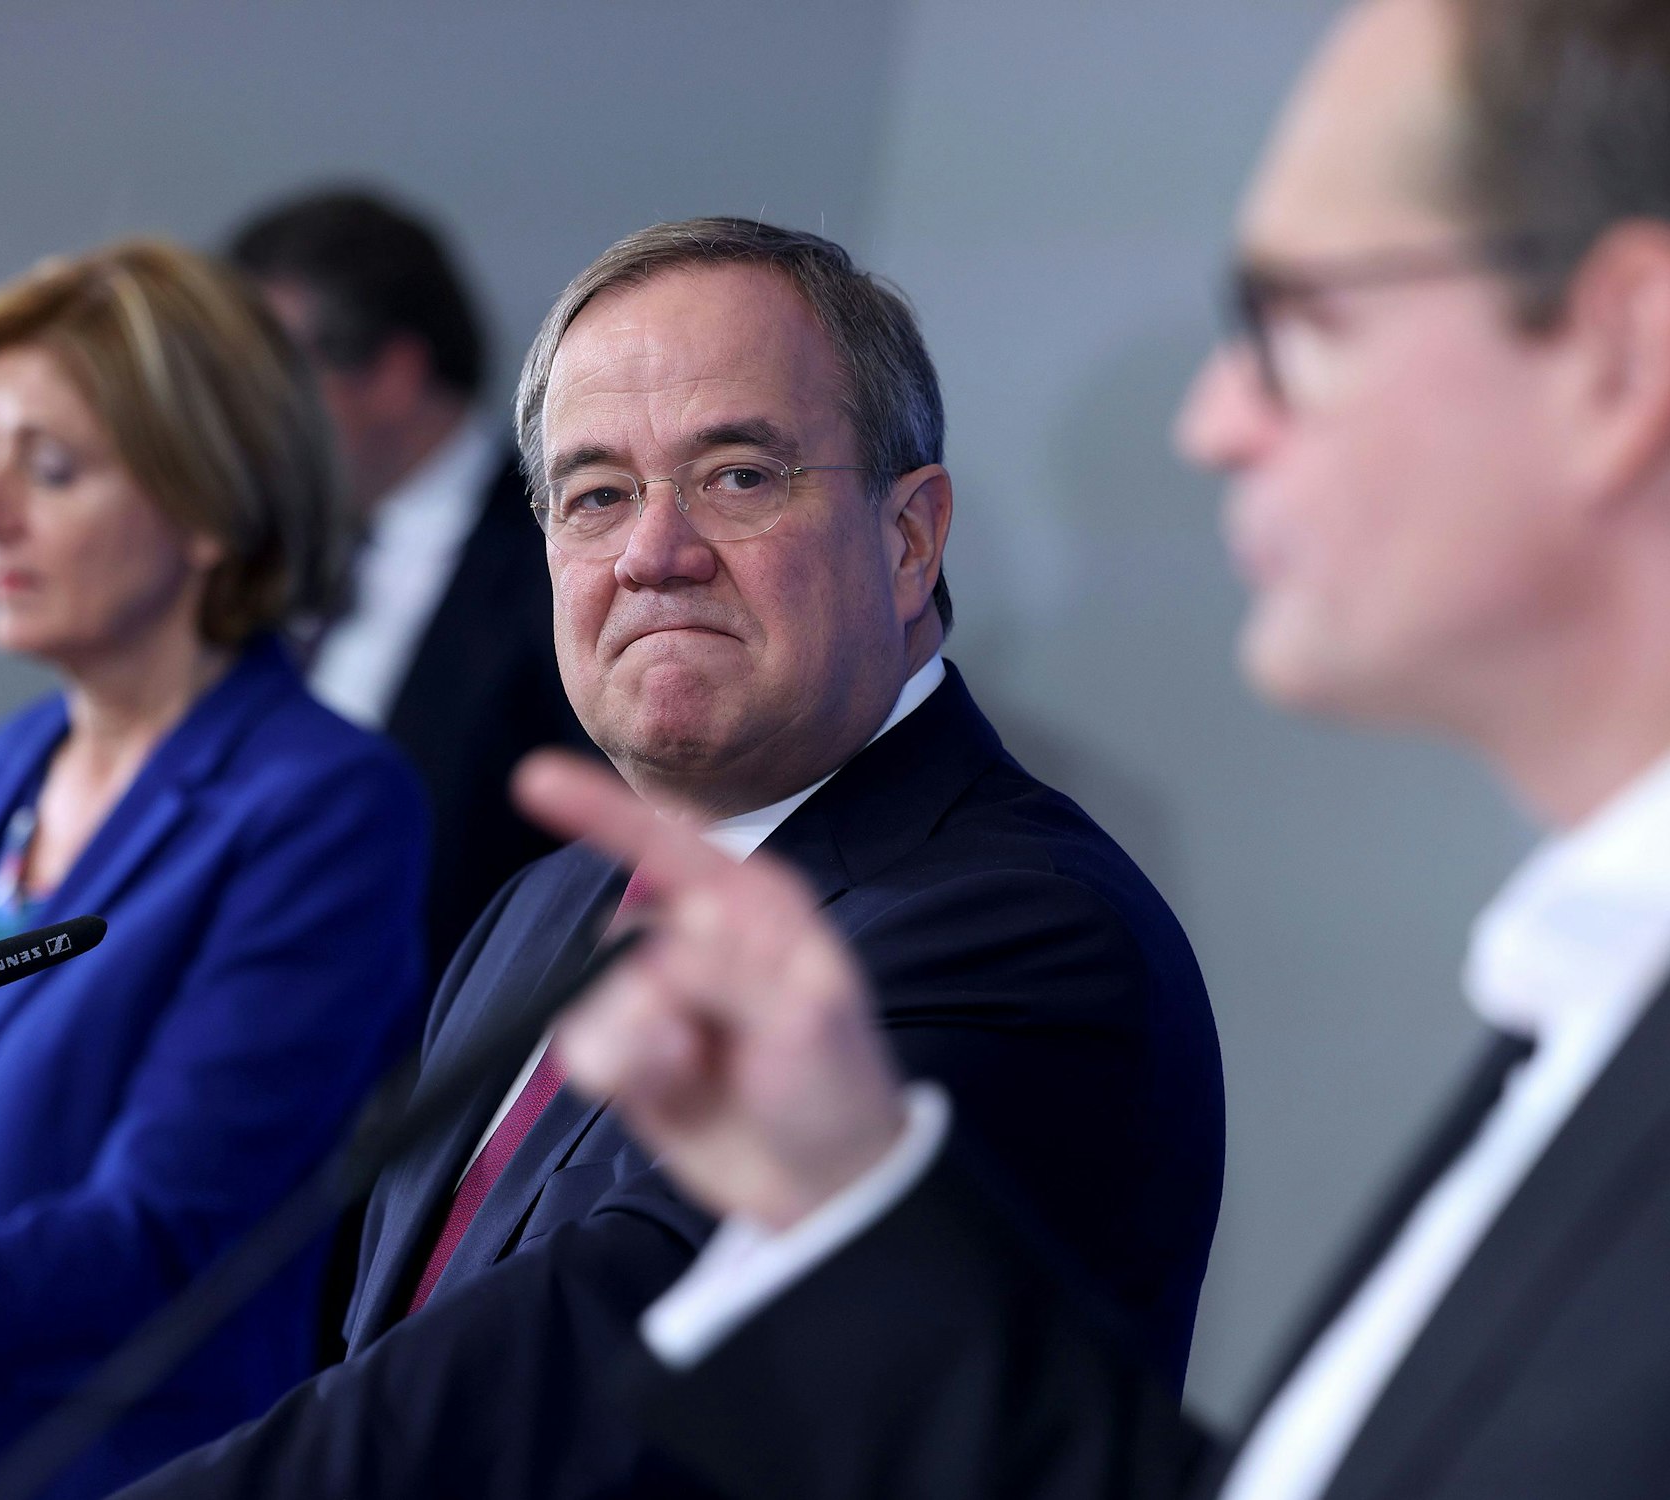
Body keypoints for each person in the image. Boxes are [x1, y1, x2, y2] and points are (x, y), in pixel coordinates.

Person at [517, 1, 1670, 1497]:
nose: (1215, 421)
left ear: (1621, 353)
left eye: (1299, 320)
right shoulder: (1619, 976)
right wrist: (842, 1211)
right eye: (592, 496)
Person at [112, 217, 1224, 1499]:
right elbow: (385, 1351)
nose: (653, 554)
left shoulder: (1022, 930)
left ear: (910, 538)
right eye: (596, 496)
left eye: (737, 475)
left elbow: (589, 1350)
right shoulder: (542, 908)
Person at [0, 241, 431, 1500]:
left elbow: (165, 1226)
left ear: (207, 509)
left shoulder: (325, 807)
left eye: (52, 468)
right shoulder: (18, 753)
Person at [227, 187, 592, 968]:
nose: (234, 418)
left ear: (392, 376)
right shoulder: (237, 550)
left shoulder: (565, 559)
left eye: (264, 378)